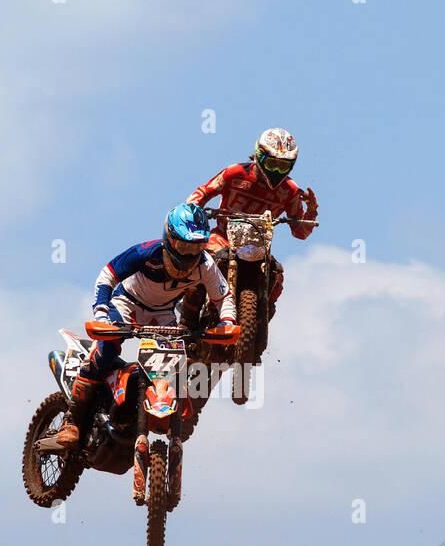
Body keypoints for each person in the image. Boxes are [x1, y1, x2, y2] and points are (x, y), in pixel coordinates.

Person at [55, 203, 239, 448]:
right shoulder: (147, 253)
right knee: (107, 350)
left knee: (175, 363)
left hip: (162, 314)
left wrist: (227, 321)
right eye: (184, 246)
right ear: (169, 239)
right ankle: (72, 420)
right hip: (126, 303)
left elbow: (223, 296)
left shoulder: (205, 264)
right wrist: (100, 313)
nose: (188, 254)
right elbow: (107, 274)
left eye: (196, 247)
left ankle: (146, 412)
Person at [183, 127, 318, 320]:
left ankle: (260, 325)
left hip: (258, 247)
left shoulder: (290, 190)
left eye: (282, 166)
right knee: (204, 262)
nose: (276, 171)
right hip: (222, 237)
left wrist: (311, 211)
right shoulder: (235, 173)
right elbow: (204, 192)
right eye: (272, 163)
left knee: (276, 275)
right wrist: (190, 212)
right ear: (259, 156)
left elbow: (300, 232)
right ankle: (186, 323)